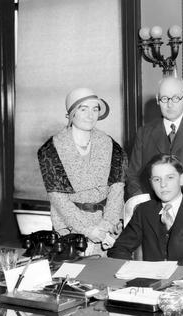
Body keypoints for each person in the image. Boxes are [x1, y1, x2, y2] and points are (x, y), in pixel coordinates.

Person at [37, 87, 126, 256]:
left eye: (95, 109)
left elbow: (116, 189)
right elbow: (58, 199)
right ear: (71, 114)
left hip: (104, 228)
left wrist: (106, 225)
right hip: (69, 229)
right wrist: (87, 230)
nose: (90, 115)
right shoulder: (51, 149)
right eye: (83, 109)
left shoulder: (110, 144)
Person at [108, 154, 183, 270]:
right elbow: (119, 249)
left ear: (182, 179)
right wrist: (135, 271)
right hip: (151, 282)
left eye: (170, 177)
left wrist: (181, 275)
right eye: (157, 179)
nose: (163, 185)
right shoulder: (144, 210)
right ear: (151, 183)